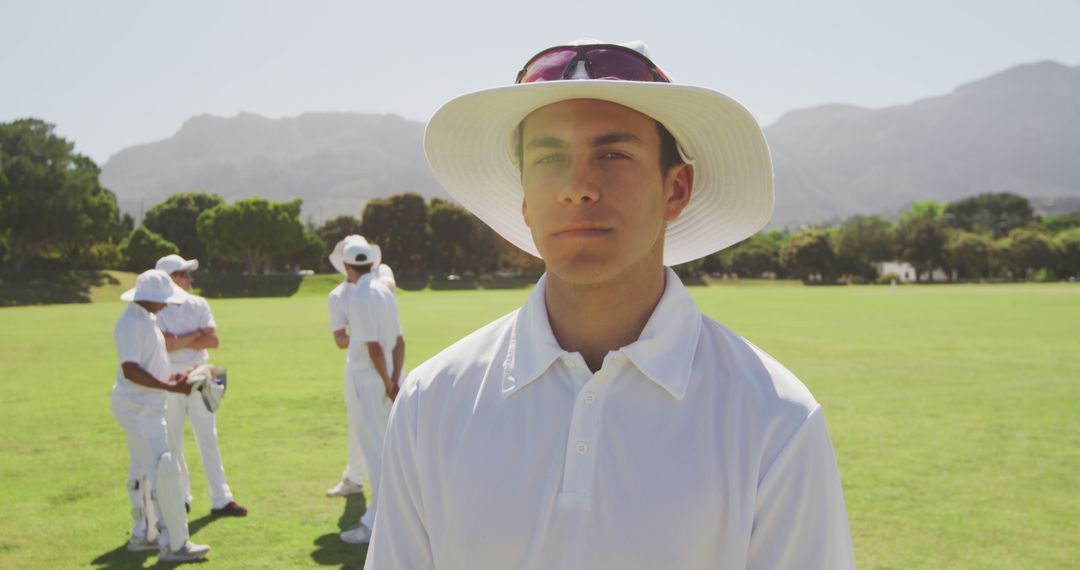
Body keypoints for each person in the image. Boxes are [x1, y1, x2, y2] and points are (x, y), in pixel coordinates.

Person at [366, 40, 855, 569]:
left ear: (677, 188)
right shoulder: (433, 401)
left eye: (614, 154)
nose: (577, 187)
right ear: (525, 197)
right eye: (549, 157)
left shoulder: (775, 418)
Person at [112, 269, 211, 562]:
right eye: (163, 299)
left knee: (144, 469)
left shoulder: (146, 319)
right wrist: (170, 386)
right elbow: (131, 369)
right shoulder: (131, 323)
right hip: (140, 407)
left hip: (144, 404)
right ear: (149, 298)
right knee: (164, 469)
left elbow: (149, 364)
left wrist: (177, 376)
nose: (167, 304)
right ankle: (174, 544)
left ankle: (145, 536)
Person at [153, 254, 247, 517]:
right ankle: (180, 497)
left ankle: (221, 498)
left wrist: (183, 339)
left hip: (200, 377)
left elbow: (213, 340)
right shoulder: (156, 308)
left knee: (208, 438)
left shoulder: (198, 303)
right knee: (173, 442)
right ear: (169, 278)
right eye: (183, 274)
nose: (189, 278)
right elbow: (166, 345)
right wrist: (196, 335)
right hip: (169, 380)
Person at [336, 239, 405, 545]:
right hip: (389, 376)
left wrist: (387, 381)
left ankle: (375, 523)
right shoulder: (384, 291)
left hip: (369, 378)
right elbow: (399, 341)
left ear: (348, 268)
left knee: (375, 453)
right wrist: (395, 378)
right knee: (384, 447)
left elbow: (373, 346)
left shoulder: (361, 296)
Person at [325, 235, 397, 498]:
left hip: (379, 363)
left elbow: (388, 288)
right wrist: (365, 330)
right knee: (358, 424)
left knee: (379, 433)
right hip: (359, 365)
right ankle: (354, 478)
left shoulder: (378, 280)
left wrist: (366, 318)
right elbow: (340, 340)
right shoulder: (338, 296)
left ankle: (384, 501)